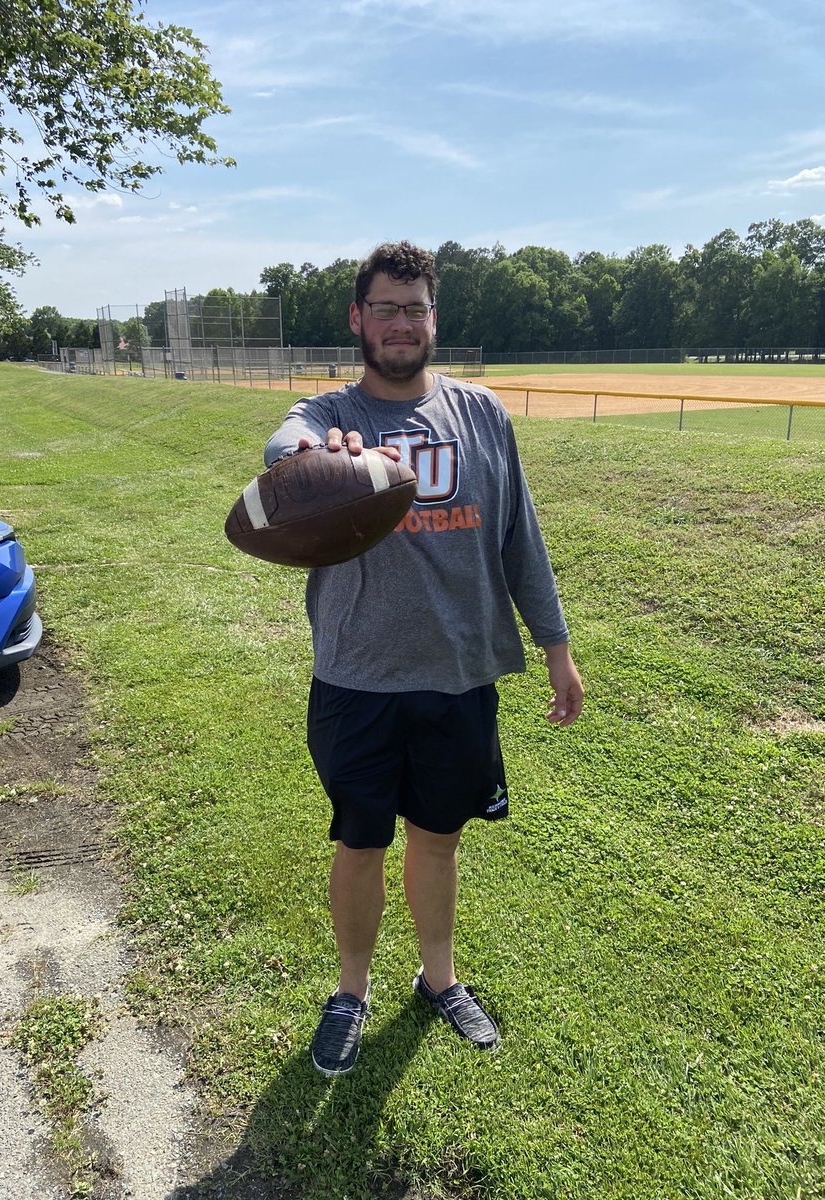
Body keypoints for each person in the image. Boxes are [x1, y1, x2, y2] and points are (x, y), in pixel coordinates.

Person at [264, 241, 583, 1076]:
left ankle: (437, 977)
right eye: (385, 309)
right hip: (357, 675)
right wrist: (308, 455)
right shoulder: (328, 413)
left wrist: (557, 649)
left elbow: (522, 540)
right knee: (359, 840)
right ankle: (350, 991)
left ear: (432, 318)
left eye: (416, 309)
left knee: (439, 839)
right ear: (357, 319)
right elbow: (284, 444)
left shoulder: (482, 415)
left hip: (459, 675)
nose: (401, 324)